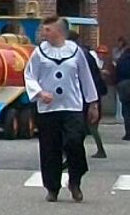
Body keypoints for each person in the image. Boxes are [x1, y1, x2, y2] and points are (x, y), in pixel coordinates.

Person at [24, 15, 99, 203]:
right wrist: (40, 93)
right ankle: (52, 187)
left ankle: (75, 180)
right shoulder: (40, 53)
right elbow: (29, 76)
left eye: (47, 30)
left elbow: (85, 77)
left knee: (74, 141)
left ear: (58, 31)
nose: (43, 33)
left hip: (72, 106)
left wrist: (92, 103)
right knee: (50, 148)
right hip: (48, 109)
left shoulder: (75, 51)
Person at [68, 31, 108, 158]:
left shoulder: (78, 54)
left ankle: (74, 153)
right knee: (91, 125)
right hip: (92, 92)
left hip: (84, 94)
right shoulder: (87, 54)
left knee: (81, 125)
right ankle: (99, 150)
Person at [116, 49, 130, 140]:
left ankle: (128, 133)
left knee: (126, 110)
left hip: (123, 83)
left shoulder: (121, 59)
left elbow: (117, 72)